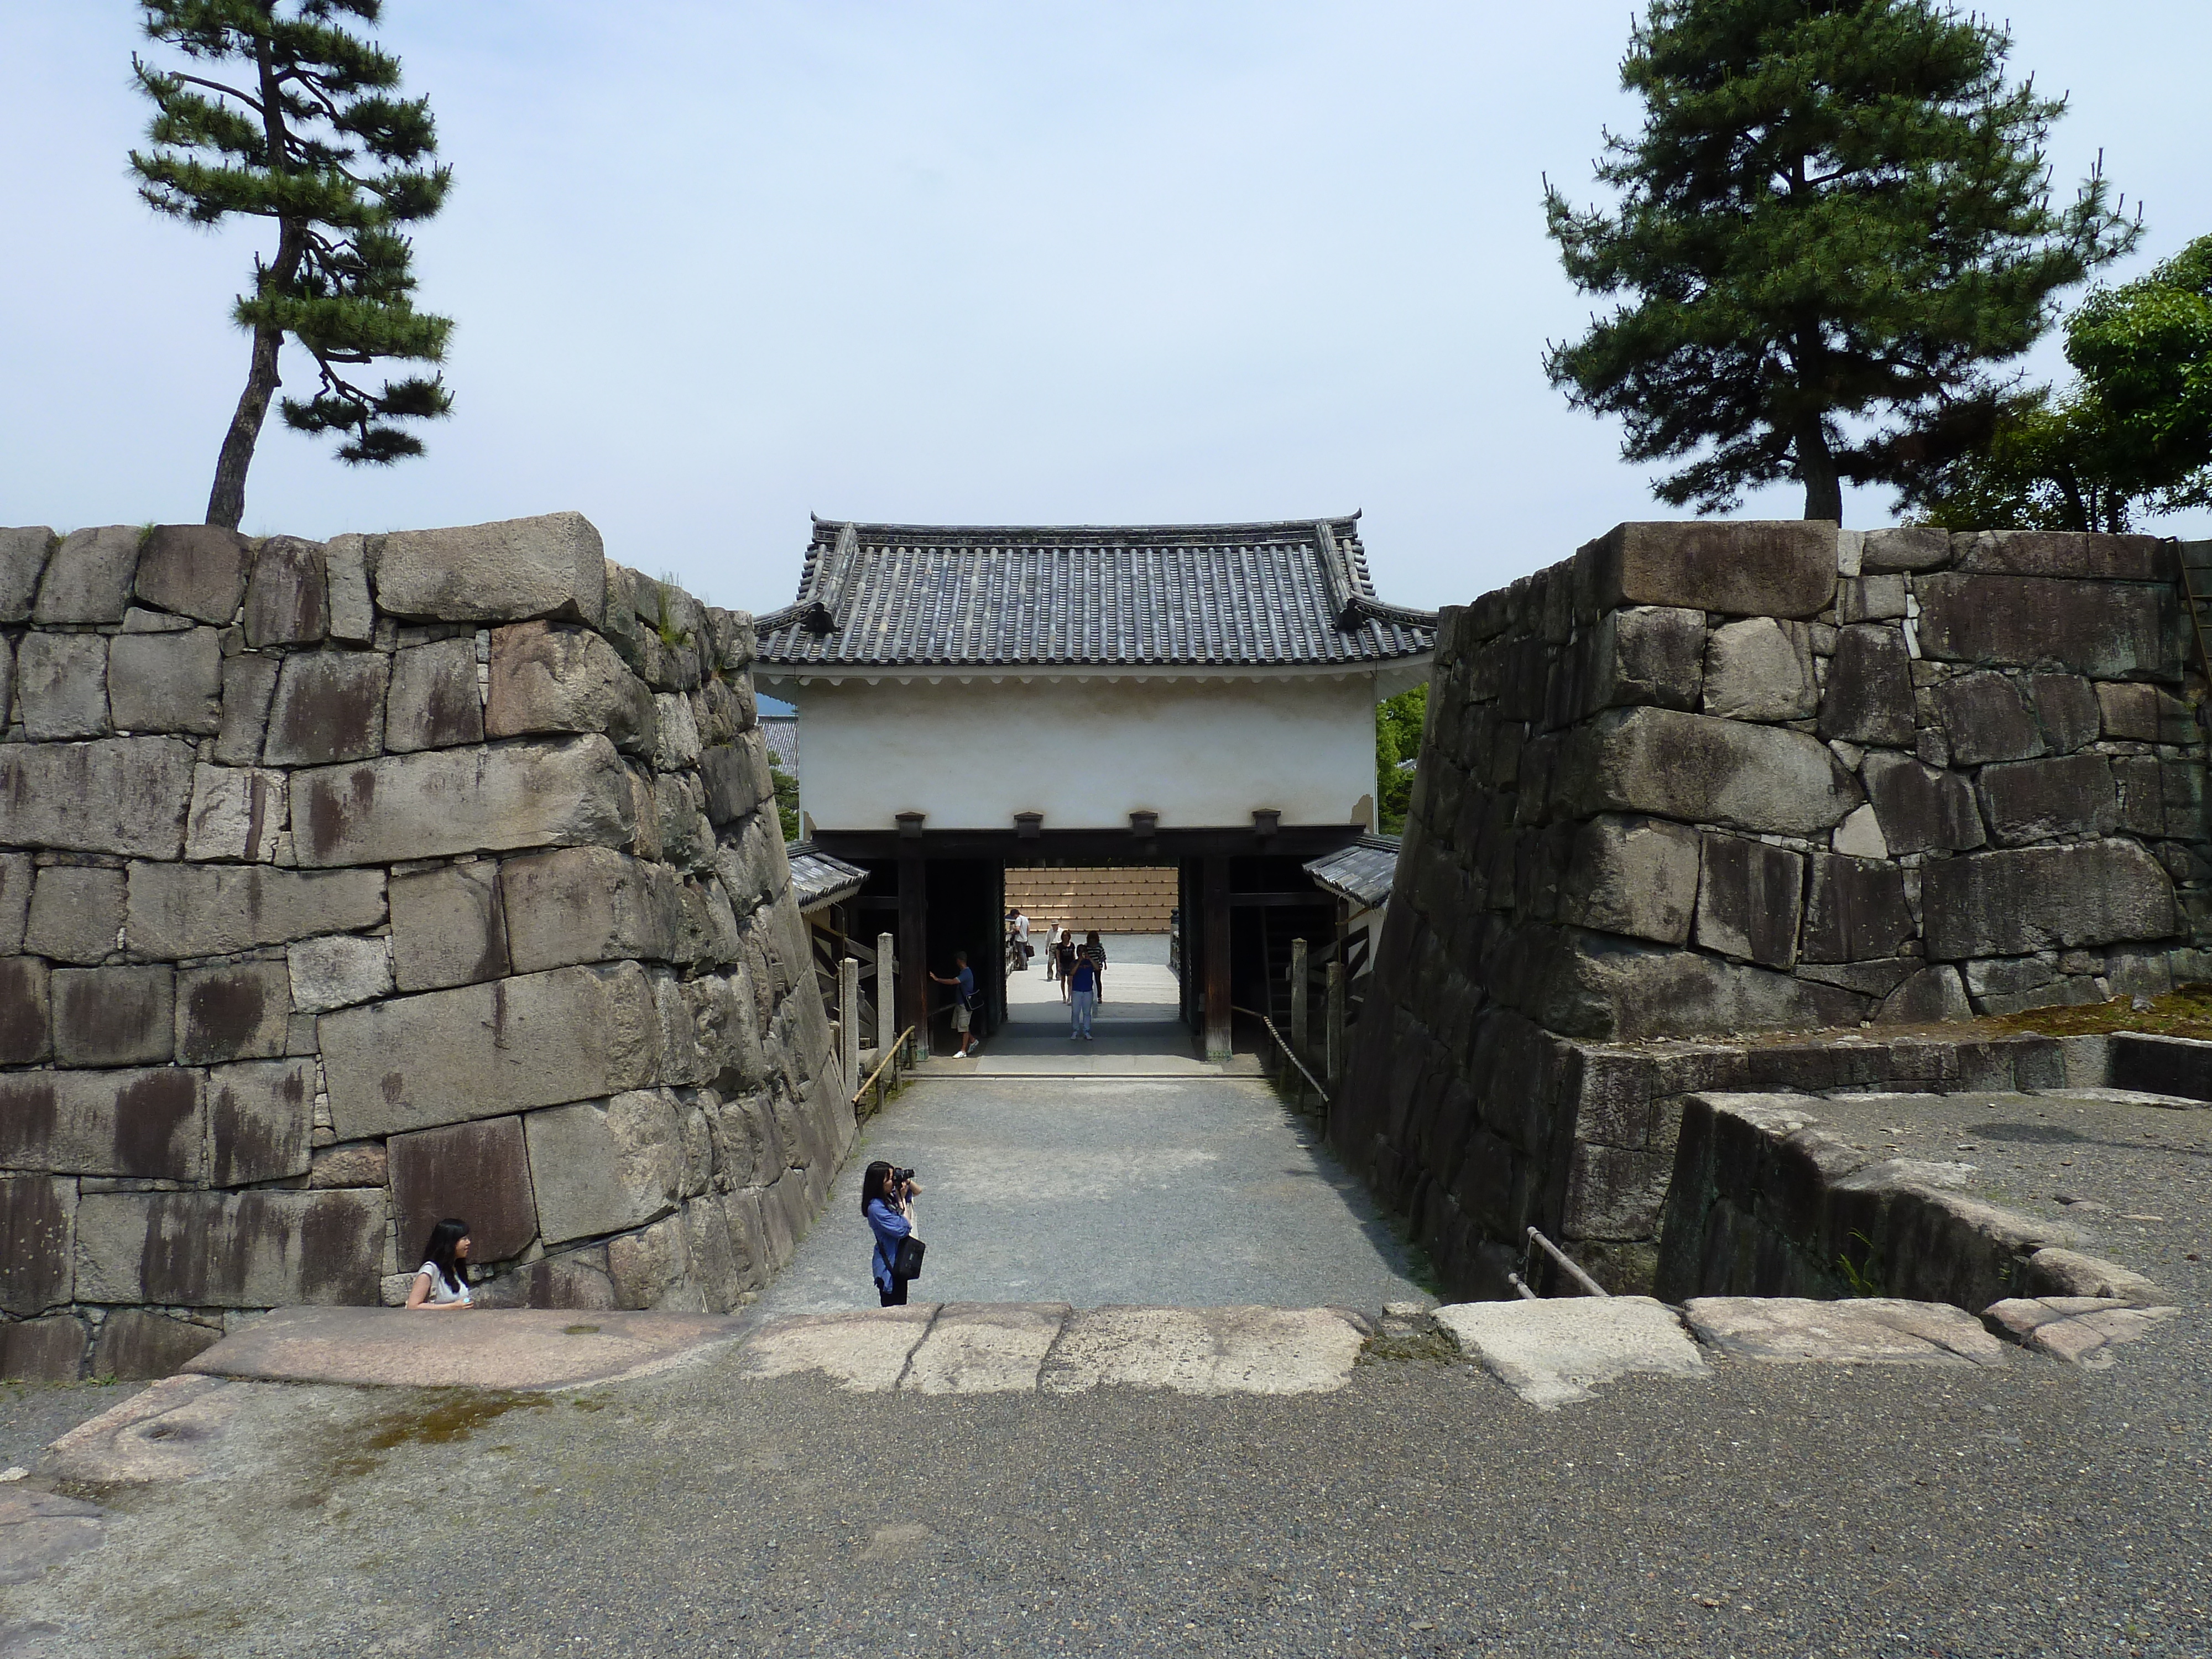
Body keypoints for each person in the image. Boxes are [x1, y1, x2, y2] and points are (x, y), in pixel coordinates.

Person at [862, 1161, 920, 1307]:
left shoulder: (888, 1196)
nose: (892, 1182)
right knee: (893, 1310)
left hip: (900, 1261)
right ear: (877, 1184)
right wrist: (901, 1200)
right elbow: (904, 1229)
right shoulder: (875, 1208)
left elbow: (918, 1191)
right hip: (889, 1268)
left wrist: (905, 1179)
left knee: (902, 1306)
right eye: (889, 1179)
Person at [405, 1218, 473, 1310]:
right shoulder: (429, 1270)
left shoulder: (456, 1268)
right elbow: (413, 1306)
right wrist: (452, 1307)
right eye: (464, 1239)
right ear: (450, 1242)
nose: (468, 1242)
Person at [929, 949, 979, 1058]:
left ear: (959, 961)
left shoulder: (966, 973)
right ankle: (973, 1040)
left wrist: (937, 979)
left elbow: (953, 982)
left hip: (965, 1005)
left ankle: (963, 1051)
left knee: (963, 1027)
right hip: (960, 1003)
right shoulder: (964, 972)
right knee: (959, 1026)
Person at [1068, 942, 1100, 1040]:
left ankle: (1087, 1031)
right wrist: (1079, 962)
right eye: (1080, 951)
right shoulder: (1074, 963)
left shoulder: (1090, 962)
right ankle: (1075, 1030)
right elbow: (1072, 973)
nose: (1082, 953)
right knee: (1075, 1012)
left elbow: (1098, 968)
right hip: (1077, 991)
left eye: (1083, 951)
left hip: (1088, 991)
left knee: (1087, 1012)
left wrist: (1089, 958)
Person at [1055, 926, 1079, 1003]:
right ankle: (1064, 996)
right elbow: (1058, 957)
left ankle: (1069, 997)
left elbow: (1073, 955)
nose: (1066, 937)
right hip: (1063, 964)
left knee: (1070, 981)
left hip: (1071, 965)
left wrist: (1076, 964)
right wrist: (1058, 966)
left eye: (1067, 936)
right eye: (1064, 936)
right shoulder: (1059, 946)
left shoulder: (1072, 945)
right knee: (1063, 980)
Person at [1083, 931, 1108, 1004]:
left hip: (1098, 966)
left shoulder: (1100, 948)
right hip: (1089, 966)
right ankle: (1089, 995)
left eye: (1094, 939)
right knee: (1089, 981)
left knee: (1098, 981)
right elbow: (1084, 956)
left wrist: (1105, 964)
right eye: (1091, 939)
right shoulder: (1087, 947)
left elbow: (1103, 956)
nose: (1092, 940)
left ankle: (1099, 996)